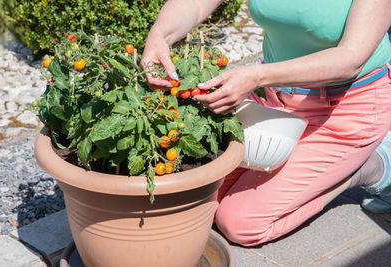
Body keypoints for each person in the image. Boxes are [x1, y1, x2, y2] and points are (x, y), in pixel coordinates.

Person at [140, 0, 391, 246]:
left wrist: (257, 76)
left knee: (238, 224)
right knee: (201, 200)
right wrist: (159, 37)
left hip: (344, 110)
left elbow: (350, 59)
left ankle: (368, 167)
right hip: (273, 98)